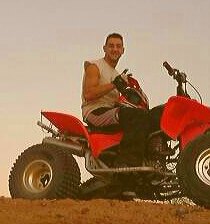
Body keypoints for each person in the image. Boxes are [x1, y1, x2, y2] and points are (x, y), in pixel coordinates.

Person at [81, 33, 150, 167]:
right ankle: (127, 163)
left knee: (148, 116)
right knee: (135, 116)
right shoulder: (94, 66)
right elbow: (88, 94)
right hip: (95, 111)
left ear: (123, 50)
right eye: (111, 46)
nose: (115, 49)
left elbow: (118, 100)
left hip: (111, 111)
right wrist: (115, 84)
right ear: (104, 48)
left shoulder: (117, 74)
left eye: (118, 46)